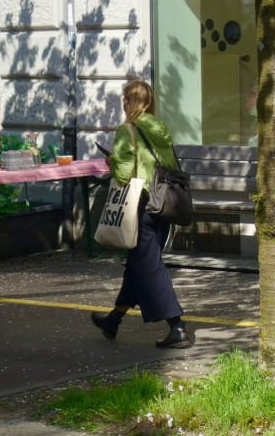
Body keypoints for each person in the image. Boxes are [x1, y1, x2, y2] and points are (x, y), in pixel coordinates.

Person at [91, 79, 194, 349]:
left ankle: (177, 326)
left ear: (132, 102)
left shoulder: (128, 130)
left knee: (149, 267)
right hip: (163, 206)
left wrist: (111, 161)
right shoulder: (161, 129)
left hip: (142, 207)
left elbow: (124, 175)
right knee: (138, 264)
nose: (124, 104)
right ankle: (114, 319)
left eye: (126, 99)